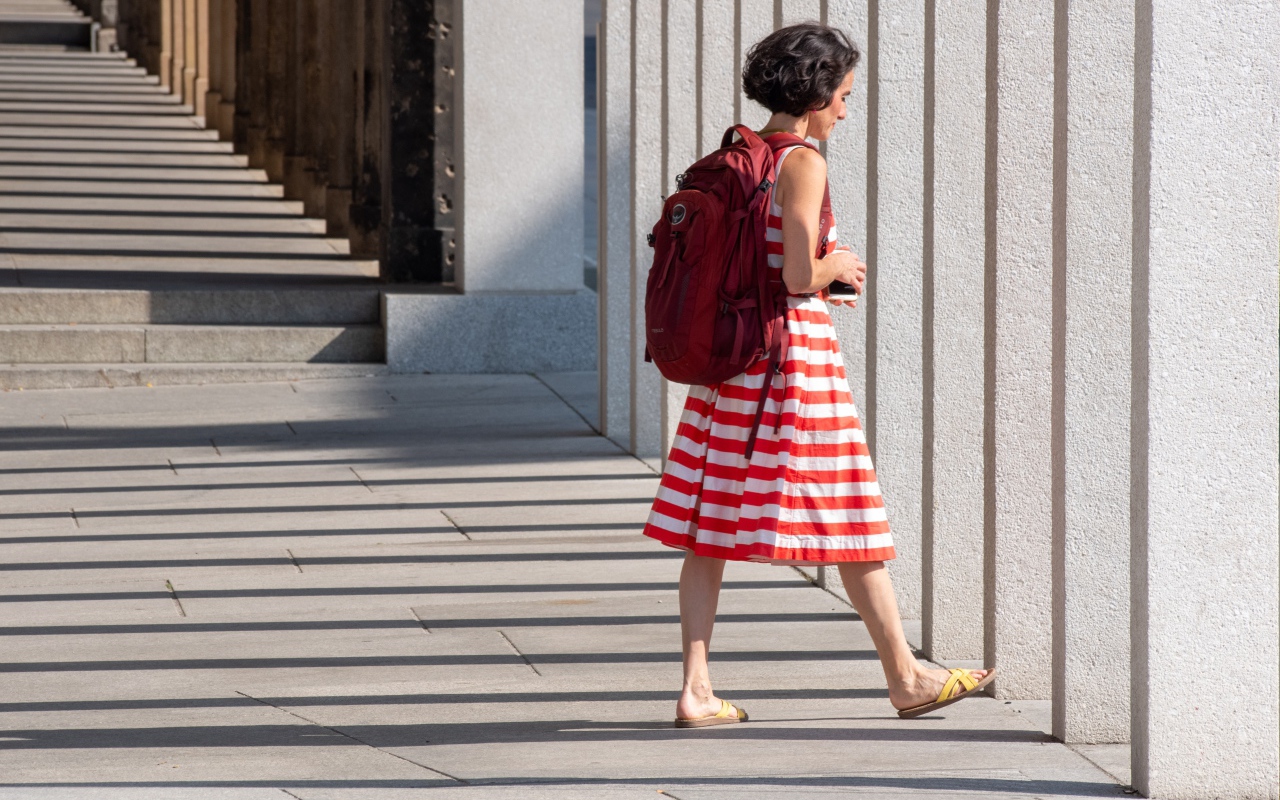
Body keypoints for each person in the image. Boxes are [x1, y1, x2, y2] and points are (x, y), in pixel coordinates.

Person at [642, 22, 995, 728]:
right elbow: (798, 273)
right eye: (842, 96)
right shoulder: (801, 160)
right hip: (790, 361)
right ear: (816, 92)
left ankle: (697, 688)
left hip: (732, 364)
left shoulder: (737, 154)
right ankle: (906, 678)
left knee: (708, 527)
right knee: (852, 513)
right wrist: (839, 266)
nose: (843, 110)